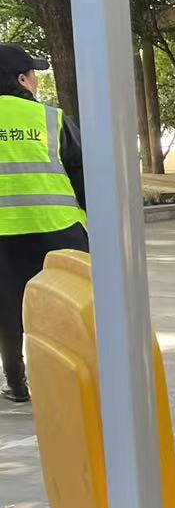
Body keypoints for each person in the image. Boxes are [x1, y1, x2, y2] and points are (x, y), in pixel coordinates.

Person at [0, 45, 87, 404]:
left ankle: (16, 383)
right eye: (33, 74)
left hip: (4, 233)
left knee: (7, 310)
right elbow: (82, 172)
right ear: (21, 80)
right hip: (59, 228)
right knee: (65, 305)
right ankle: (69, 381)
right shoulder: (52, 119)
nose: (36, 80)